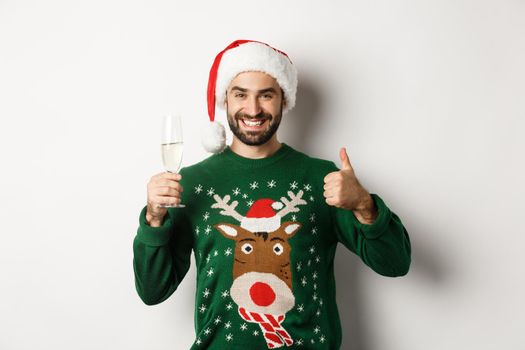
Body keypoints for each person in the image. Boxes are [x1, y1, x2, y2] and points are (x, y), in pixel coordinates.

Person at [133, 39, 411, 349]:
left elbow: (395, 263)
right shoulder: (191, 182)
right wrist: (154, 220)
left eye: (266, 95)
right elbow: (152, 291)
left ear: (283, 100)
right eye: (241, 94)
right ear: (226, 99)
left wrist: (364, 205)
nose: (253, 109)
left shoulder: (321, 178)